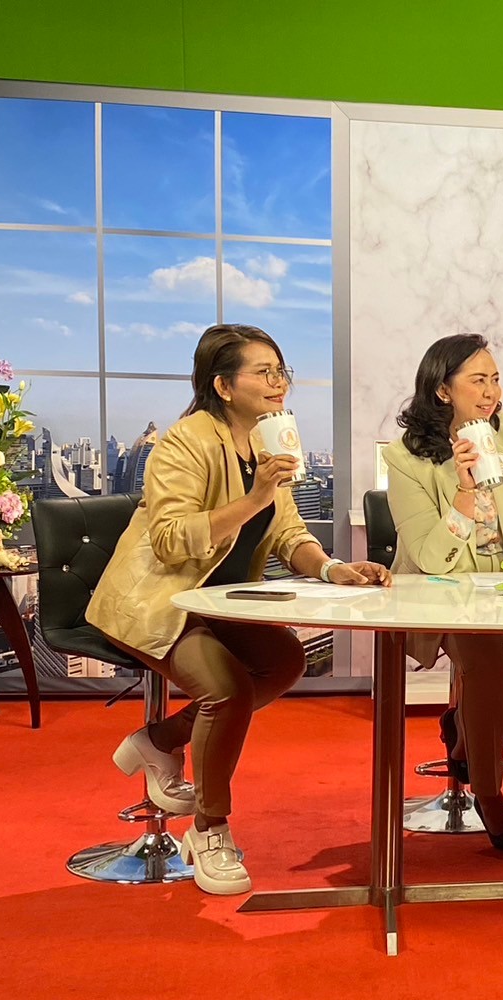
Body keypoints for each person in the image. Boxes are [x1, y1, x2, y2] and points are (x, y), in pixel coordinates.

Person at [88, 323, 393, 895]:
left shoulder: (270, 441)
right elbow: (170, 540)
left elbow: (288, 534)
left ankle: (160, 739)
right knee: (225, 690)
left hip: (220, 603)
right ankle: (209, 829)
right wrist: (254, 498)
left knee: (284, 661)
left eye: (282, 372)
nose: (279, 383)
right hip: (158, 602)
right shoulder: (184, 443)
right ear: (223, 386)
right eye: (265, 372)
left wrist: (332, 568)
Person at [383, 333, 503, 854]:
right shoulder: (405, 457)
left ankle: (465, 735)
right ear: (443, 390)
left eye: (495, 379)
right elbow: (430, 557)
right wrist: (465, 490)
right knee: (486, 663)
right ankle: (489, 795)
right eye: (478, 380)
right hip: (443, 590)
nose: (492, 391)